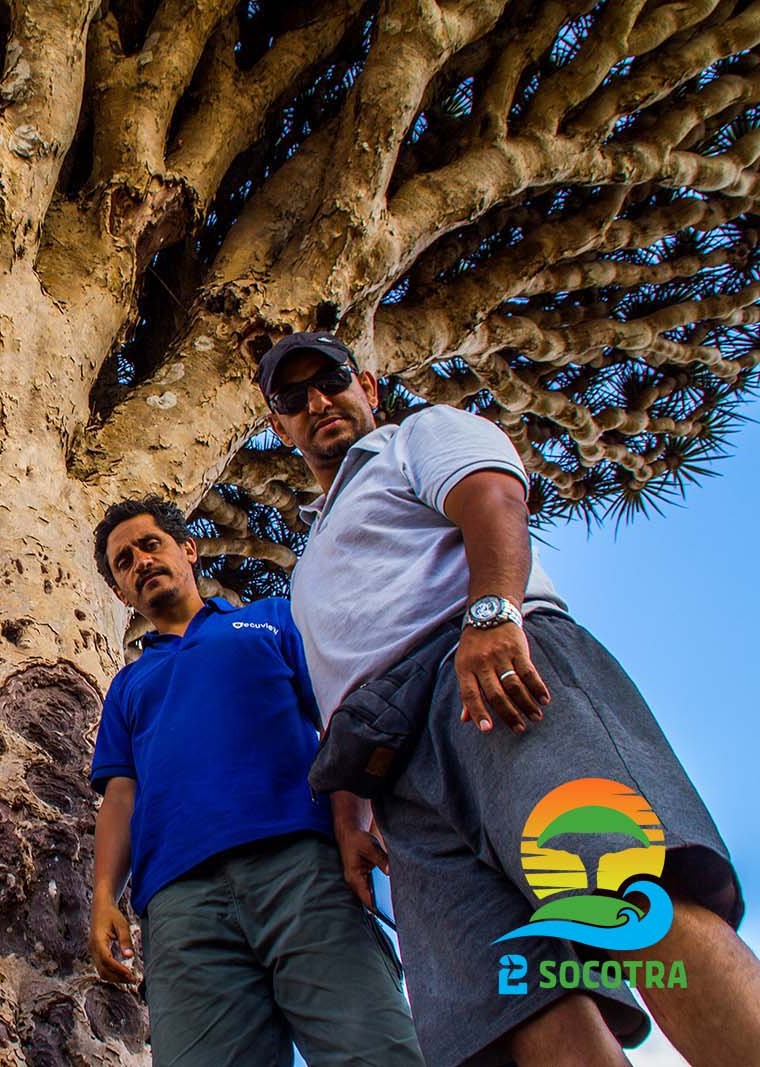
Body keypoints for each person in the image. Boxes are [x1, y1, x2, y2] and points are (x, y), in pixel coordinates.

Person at [258, 331, 756, 1066]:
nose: (317, 403)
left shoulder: (414, 437)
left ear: (367, 383)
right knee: (516, 1001)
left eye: (328, 381)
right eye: (293, 400)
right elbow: (339, 680)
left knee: (623, 883)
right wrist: (350, 812)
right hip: (398, 773)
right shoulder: (312, 550)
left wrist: (493, 612)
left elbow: (492, 495)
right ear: (280, 426)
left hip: (486, 677)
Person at [86, 496, 423, 1066]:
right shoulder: (127, 685)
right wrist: (102, 898)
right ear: (120, 594)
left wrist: (351, 825)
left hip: (303, 867)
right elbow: (121, 794)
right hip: (179, 902)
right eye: (124, 562)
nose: (140, 562)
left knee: (373, 1052)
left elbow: (338, 717)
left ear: (188, 550)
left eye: (150, 545)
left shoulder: (271, 619)